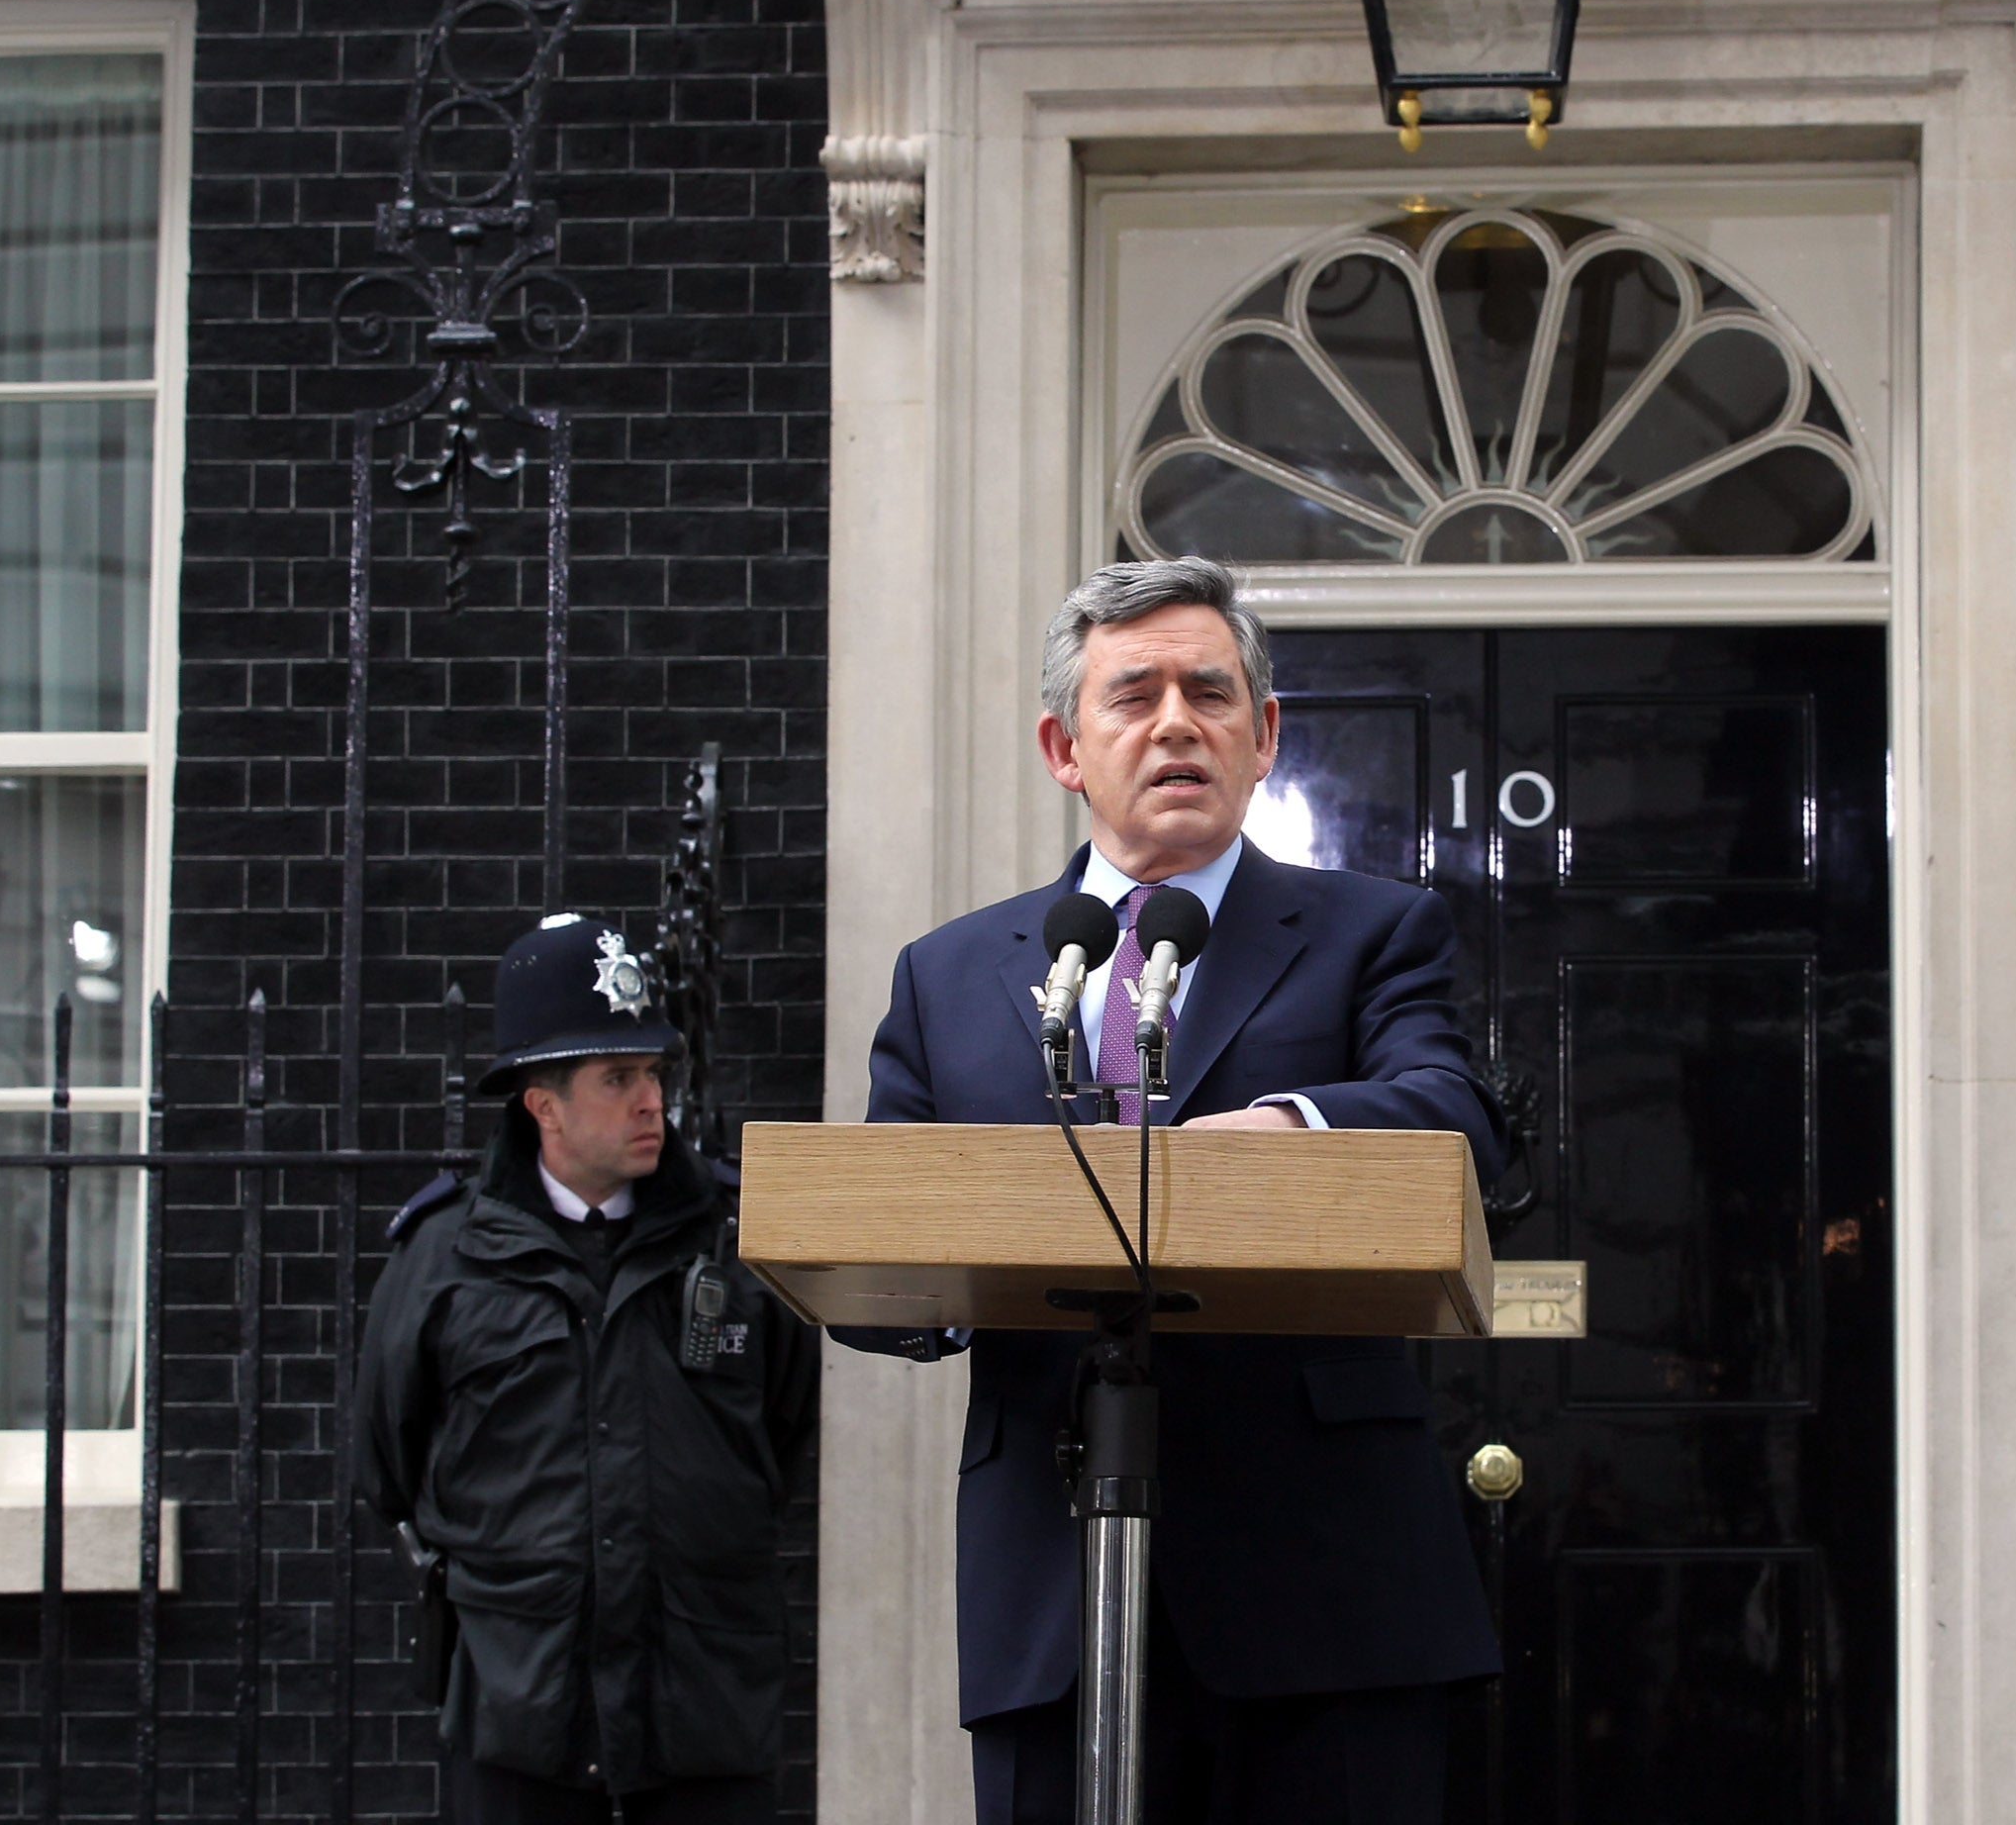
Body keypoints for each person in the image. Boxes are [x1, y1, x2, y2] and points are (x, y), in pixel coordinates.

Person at [852, 556, 1505, 1825]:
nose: (1173, 723)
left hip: (1324, 1592)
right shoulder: (947, 972)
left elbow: (1452, 1115)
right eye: (1132, 693)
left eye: (1209, 692)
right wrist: (932, 1285)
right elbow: (886, 1226)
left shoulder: (1375, 928)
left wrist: (1292, 1122)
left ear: (1263, 738)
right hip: (1050, 1583)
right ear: (1063, 744)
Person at [357, 914, 820, 1825]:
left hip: (703, 1705)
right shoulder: (446, 1256)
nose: (652, 1100)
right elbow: (390, 1463)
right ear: (543, 1104)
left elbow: (782, 1433)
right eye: (618, 1078)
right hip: (520, 1705)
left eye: (653, 1072)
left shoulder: (736, 1243)